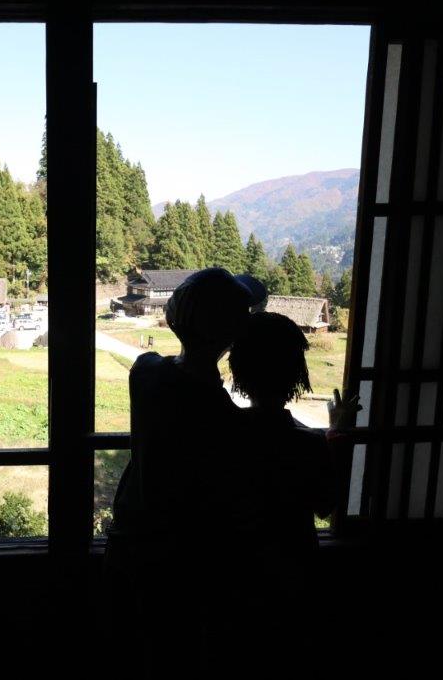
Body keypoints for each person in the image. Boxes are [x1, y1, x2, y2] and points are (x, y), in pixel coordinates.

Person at [105, 267, 266, 675]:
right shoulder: (224, 418)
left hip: (130, 542)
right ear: (231, 335)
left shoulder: (145, 372)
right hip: (186, 563)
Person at [199, 311, 358, 672]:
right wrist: (337, 435)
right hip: (293, 573)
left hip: (228, 575)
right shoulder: (308, 445)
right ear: (297, 375)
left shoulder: (219, 437)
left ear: (238, 371)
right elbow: (325, 504)